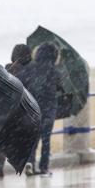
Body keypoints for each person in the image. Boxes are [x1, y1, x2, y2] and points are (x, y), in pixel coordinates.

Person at [19, 42, 61, 176]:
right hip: (49, 109)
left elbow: (21, 84)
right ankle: (44, 168)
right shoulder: (54, 71)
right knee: (46, 139)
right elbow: (60, 88)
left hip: (33, 108)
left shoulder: (30, 68)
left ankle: (30, 163)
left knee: (33, 139)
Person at [0, 44, 32, 179]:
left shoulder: (6, 68)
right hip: (21, 111)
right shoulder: (27, 72)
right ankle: (27, 164)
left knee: (3, 142)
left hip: (5, 110)